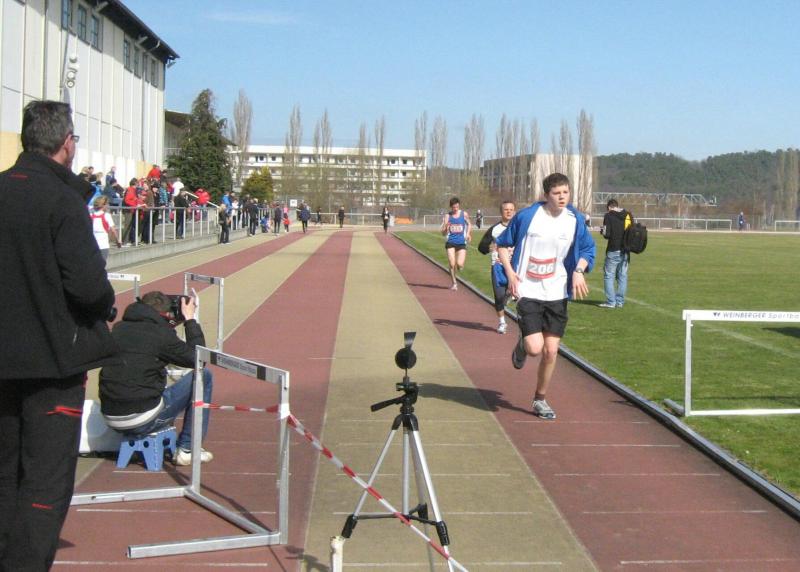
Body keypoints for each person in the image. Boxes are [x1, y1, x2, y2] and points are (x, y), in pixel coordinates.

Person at [0, 100, 118, 570]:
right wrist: (104, 304)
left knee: (5, 475)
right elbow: (89, 287)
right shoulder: (62, 201)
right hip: (52, 364)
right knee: (44, 485)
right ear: (67, 144)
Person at [496, 172, 595, 420]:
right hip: (528, 289)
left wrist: (579, 271)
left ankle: (540, 399)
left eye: (566, 192)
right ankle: (523, 343)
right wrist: (510, 273)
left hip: (557, 290)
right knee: (534, 348)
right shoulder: (527, 217)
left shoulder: (574, 220)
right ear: (546, 195)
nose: (562, 197)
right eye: (556, 193)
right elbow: (502, 245)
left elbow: (587, 249)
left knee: (551, 351)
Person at [99, 292, 214, 466]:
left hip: (110, 416)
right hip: (141, 418)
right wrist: (190, 320)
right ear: (166, 314)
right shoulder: (161, 334)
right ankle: (188, 448)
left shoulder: (118, 328)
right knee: (204, 377)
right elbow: (198, 359)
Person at [478, 199, 516, 333]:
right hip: (498, 266)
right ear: (501, 212)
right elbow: (481, 247)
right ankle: (502, 322)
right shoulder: (495, 229)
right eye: (506, 210)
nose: (509, 212)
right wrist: (490, 248)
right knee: (499, 297)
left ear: (514, 212)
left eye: (511, 210)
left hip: (516, 266)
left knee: (522, 296)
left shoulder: (520, 227)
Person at [599, 198, 630, 309]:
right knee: (622, 276)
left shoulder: (608, 216)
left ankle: (611, 302)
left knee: (609, 275)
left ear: (609, 207)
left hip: (613, 249)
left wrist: (602, 231)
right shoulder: (627, 215)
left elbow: (607, 234)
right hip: (626, 250)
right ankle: (620, 302)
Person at [440, 196, 472, 291]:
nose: (456, 209)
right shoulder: (447, 216)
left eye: (457, 207)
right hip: (450, 242)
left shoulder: (464, 214)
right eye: (454, 207)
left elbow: (469, 224)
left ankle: (458, 266)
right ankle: (454, 283)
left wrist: (468, 234)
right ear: (451, 207)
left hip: (461, 242)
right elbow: (443, 233)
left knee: (459, 264)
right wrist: (446, 228)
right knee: (452, 263)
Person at [90, 195, 122, 260]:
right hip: (103, 245)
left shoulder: (91, 216)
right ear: (103, 205)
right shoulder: (107, 216)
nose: (108, 206)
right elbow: (113, 230)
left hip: (93, 245)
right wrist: (118, 241)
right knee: (102, 263)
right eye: (107, 204)